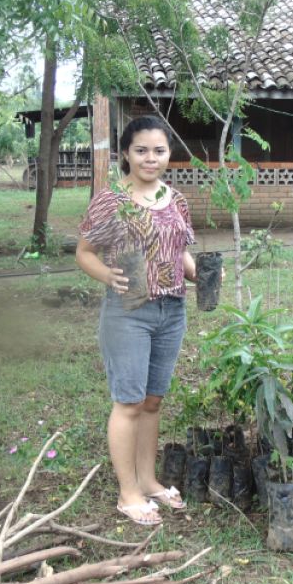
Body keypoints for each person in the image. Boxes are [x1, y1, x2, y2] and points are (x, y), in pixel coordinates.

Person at [76, 115, 204, 526]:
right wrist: (106, 275)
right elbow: (85, 252)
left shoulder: (177, 199)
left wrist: (201, 273)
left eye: (159, 150)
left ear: (170, 154)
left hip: (172, 310)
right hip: (129, 311)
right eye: (142, 150)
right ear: (126, 154)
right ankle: (127, 493)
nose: (151, 158)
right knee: (129, 402)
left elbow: (180, 252)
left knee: (152, 402)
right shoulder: (111, 199)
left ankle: (148, 481)